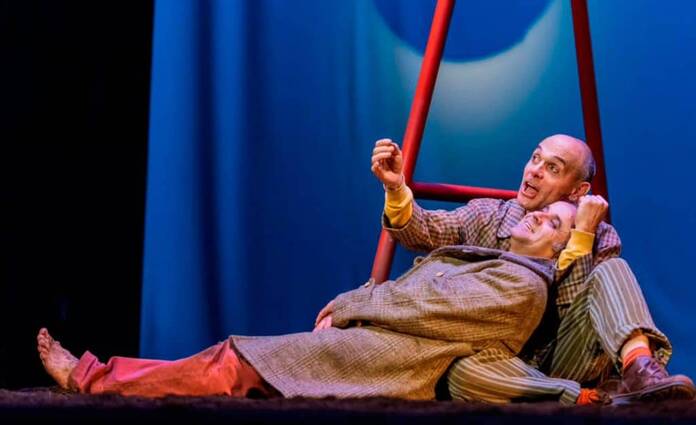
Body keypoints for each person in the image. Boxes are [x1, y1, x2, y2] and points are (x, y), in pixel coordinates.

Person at [38, 201, 578, 400]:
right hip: (376, 345)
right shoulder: (499, 260)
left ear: (561, 250)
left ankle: (92, 379)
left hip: (392, 361)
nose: (537, 216)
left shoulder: (524, 285)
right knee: (232, 365)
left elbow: (429, 311)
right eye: (542, 212)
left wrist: (351, 306)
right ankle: (99, 376)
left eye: (554, 223)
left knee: (234, 364)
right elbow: (420, 280)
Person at [369, 134, 695, 404]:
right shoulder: (489, 216)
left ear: (578, 191)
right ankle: (584, 399)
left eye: (552, 168)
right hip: (501, 364)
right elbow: (424, 230)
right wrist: (396, 188)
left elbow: (575, 313)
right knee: (460, 372)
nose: (536, 170)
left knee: (613, 269)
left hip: (563, 355)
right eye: (536, 158)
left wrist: (581, 236)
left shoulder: (599, 234)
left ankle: (641, 370)